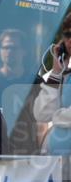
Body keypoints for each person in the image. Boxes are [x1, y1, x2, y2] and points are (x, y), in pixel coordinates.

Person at [32, 12, 71, 151]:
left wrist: (56, 116)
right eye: (67, 35)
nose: (70, 41)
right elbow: (42, 114)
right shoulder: (63, 75)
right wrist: (55, 72)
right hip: (55, 164)